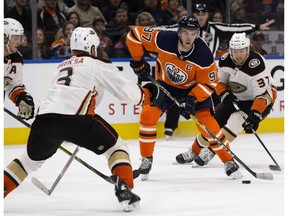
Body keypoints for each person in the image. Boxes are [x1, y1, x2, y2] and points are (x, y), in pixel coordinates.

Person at [4, 27, 153, 212]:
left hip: (44, 120)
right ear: (92, 47)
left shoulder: (61, 66)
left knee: (27, 161)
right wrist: (149, 93)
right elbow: (130, 94)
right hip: (78, 120)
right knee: (117, 147)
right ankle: (124, 187)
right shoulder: (97, 64)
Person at [127, 16, 242, 181]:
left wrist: (192, 98)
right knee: (147, 115)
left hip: (194, 89)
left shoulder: (204, 55)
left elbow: (210, 83)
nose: (189, 37)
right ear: (179, 32)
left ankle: (228, 161)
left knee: (208, 125)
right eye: (186, 33)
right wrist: (138, 61)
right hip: (165, 85)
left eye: (193, 33)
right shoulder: (163, 39)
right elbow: (134, 35)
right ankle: (146, 159)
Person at [163, 2, 275, 137]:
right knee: (178, 94)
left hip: (208, 73)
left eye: (203, 14)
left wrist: (256, 27)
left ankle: (213, 132)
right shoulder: (185, 28)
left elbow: (235, 28)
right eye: (198, 14)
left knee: (219, 102)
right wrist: (145, 30)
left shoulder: (215, 28)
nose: (201, 17)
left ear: (207, 15)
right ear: (194, 15)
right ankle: (170, 127)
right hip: (187, 71)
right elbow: (164, 29)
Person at [191, 32, 277, 167]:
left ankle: (211, 152)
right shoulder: (225, 60)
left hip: (259, 101)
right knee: (213, 123)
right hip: (236, 97)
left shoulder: (257, 64)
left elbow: (263, 95)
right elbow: (220, 82)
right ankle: (193, 151)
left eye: (241, 51)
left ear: (248, 49)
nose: (238, 55)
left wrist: (255, 114)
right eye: (235, 51)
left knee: (235, 121)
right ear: (230, 50)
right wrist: (223, 93)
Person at [4, 18, 35, 120]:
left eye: (20, 38)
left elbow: (12, 86)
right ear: (4, 38)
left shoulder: (16, 58)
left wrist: (21, 98)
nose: (19, 42)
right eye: (16, 38)